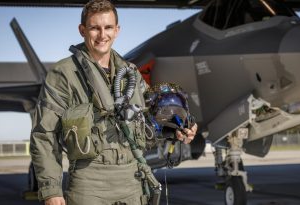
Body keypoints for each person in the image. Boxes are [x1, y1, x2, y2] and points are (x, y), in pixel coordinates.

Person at [30, 0, 198, 205]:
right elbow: (44, 134)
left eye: (108, 27)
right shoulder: (63, 75)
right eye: (95, 28)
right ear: (82, 30)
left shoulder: (131, 74)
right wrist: (51, 191)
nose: (102, 35)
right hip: (90, 181)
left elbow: (147, 125)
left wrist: (176, 131)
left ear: (117, 30)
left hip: (132, 180)